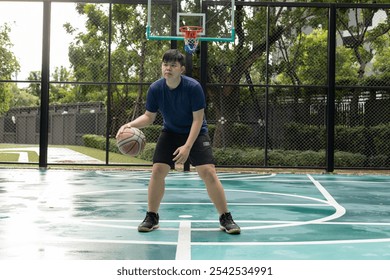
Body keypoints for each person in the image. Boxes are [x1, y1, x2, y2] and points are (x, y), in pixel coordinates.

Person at [116, 49, 240, 234]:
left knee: (208, 172)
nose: (168, 68)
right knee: (157, 170)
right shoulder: (156, 88)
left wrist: (188, 147)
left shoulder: (193, 87)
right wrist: (128, 125)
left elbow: (198, 120)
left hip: (196, 133)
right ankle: (152, 216)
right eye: (165, 64)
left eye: (173, 65)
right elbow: (149, 117)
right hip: (171, 132)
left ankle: (225, 217)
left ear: (181, 69)